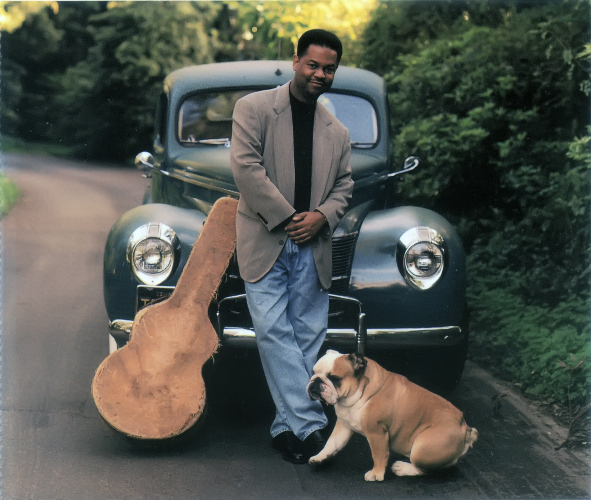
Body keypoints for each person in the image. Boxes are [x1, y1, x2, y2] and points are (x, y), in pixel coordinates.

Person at [230, 29, 354, 464]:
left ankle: (287, 430)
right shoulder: (254, 108)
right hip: (266, 239)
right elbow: (245, 169)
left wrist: (322, 216)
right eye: (313, 64)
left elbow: (344, 185)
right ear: (297, 60)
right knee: (272, 331)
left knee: (307, 337)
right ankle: (313, 426)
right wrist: (288, 217)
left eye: (329, 68)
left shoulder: (336, 131)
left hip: (313, 245)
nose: (320, 74)